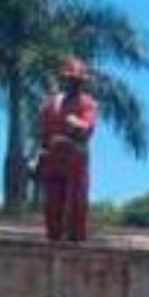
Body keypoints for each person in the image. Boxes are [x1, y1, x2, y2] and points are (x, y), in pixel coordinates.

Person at [37, 57, 97, 242]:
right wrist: (38, 159)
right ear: (65, 80)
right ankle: (53, 240)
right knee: (52, 206)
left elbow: (86, 129)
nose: (74, 83)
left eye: (78, 81)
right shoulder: (51, 104)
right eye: (71, 79)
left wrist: (74, 124)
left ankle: (76, 243)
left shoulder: (87, 103)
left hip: (75, 162)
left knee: (77, 205)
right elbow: (43, 135)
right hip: (53, 160)